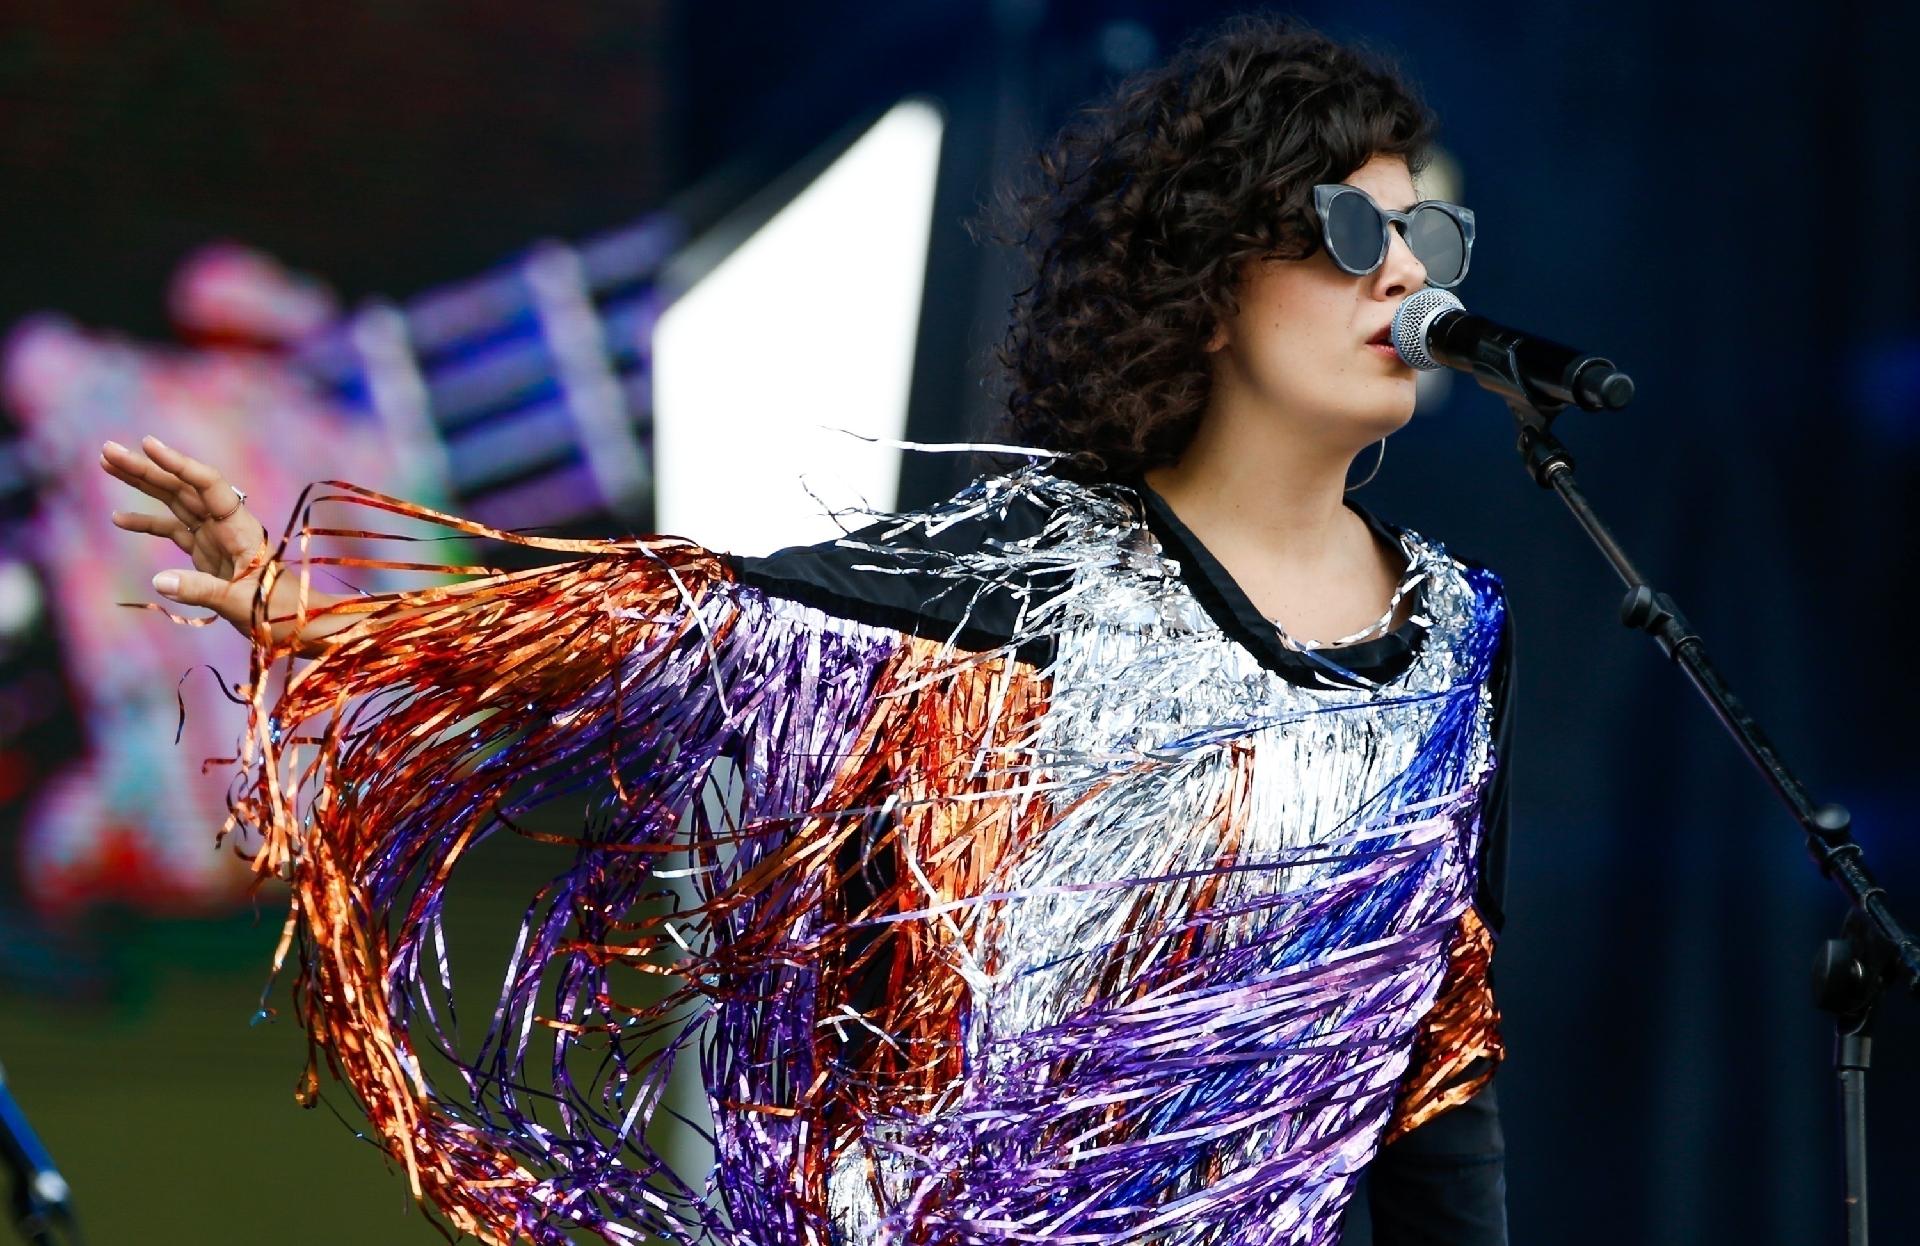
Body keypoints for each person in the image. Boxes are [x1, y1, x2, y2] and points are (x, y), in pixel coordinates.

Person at [99, 14, 1513, 1246]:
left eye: (1426, 237)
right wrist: (325, 621)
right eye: (1349, 231)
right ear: (1209, 284)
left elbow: (1442, 1075)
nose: (1404, 276)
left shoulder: (1452, 637)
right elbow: (660, 628)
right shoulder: (1033, 572)